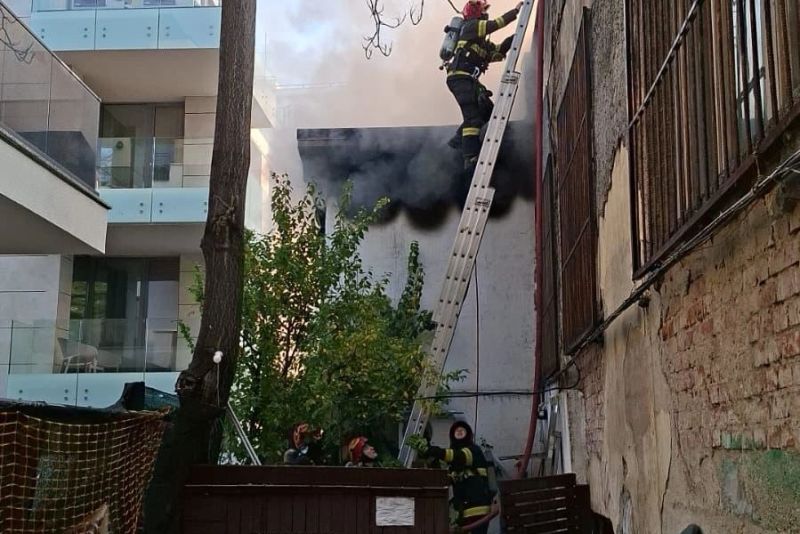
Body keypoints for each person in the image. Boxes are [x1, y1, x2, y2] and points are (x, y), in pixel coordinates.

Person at [447, 0, 523, 172]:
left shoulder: (480, 42)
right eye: (482, 11)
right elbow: (495, 24)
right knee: (473, 119)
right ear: (476, 13)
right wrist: (515, 11)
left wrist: (514, 38)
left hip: (468, 80)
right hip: (460, 78)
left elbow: (497, 52)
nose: (484, 13)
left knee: (486, 109)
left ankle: (458, 140)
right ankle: (470, 158)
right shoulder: (471, 27)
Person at [418, 421, 493, 533]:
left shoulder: (473, 450)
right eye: (456, 431)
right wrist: (433, 462)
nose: (459, 431)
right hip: (464, 510)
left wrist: (436, 451)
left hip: (477, 509)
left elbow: (458, 457)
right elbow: (448, 479)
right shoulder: (455, 466)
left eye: (462, 430)